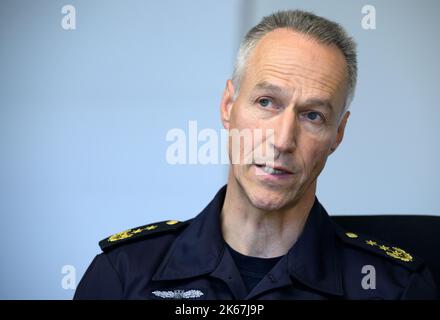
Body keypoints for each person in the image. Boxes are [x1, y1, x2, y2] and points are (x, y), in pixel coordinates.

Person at [74, 10, 438, 300]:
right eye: (266, 102)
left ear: (337, 135)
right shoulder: (123, 274)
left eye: (313, 115)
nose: (282, 140)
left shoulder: (395, 288)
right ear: (228, 105)